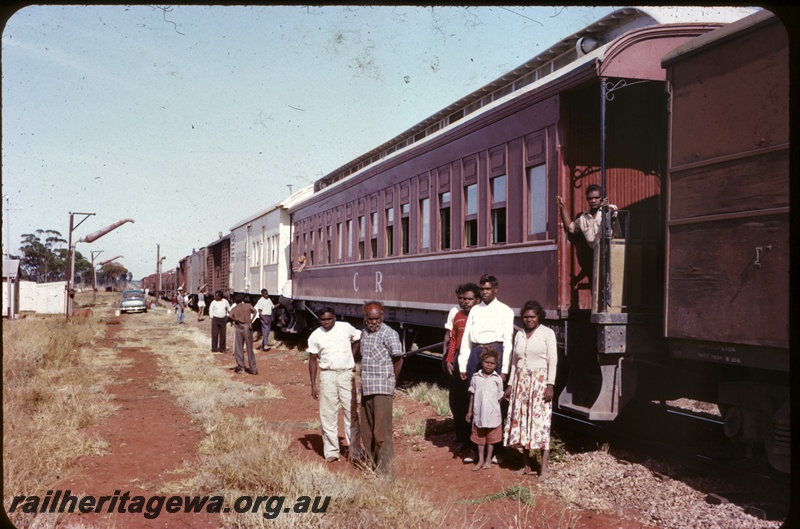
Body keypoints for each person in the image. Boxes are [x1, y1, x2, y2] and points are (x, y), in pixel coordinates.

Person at [503, 300, 558, 479]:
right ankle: (526, 464)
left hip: (539, 383)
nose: (529, 320)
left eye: (532, 317)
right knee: (522, 421)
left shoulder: (547, 333)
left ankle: (544, 467)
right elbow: (514, 362)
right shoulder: (519, 335)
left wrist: (550, 385)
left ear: (539, 316)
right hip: (521, 383)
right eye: (526, 317)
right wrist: (510, 385)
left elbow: (553, 361)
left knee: (541, 423)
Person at [307, 308, 363, 463]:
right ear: (319, 320)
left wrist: (352, 356)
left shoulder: (345, 327)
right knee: (327, 414)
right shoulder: (315, 336)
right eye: (323, 320)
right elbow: (312, 360)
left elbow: (358, 337)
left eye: (329, 319)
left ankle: (355, 450)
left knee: (350, 412)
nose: (326, 323)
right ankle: (331, 451)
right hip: (327, 375)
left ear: (335, 318)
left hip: (346, 374)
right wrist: (313, 384)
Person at [359, 301, 404, 478]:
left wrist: (391, 381)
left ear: (382, 316)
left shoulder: (390, 334)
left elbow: (398, 360)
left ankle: (387, 474)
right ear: (365, 318)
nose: (374, 322)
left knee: (381, 433)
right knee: (367, 431)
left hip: (382, 388)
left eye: (377, 318)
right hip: (366, 387)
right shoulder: (364, 333)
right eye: (370, 319)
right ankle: (373, 466)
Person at [443, 283, 481, 454]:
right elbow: (452, 339)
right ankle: (462, 436)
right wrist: (449, 359)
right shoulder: (456, 315)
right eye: (462, 299)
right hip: (460, 358)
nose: (465, 302)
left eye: (469, 299)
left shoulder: (481, 314)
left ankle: (478, 439)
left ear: (477, 300)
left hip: (477, 359)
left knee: (475, 399)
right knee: (458, 399)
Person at [458, 274, 514, 382]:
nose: (484, 292)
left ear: (495, 289)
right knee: (473, 390)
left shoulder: (505, 311)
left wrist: (504, 370)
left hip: (495, 353)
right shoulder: (474, 310)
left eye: (488, 289)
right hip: (475, 353)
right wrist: (463, 366)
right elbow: (466, 340)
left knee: (492, 392)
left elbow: (508, 343)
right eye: (482, 289)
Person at [466, 346, 505, 471]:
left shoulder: (497, 379)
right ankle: (480, 459)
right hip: (479, 414)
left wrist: (494, 409)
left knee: (491, 439)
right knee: (480, 439)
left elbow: (500, 397)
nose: (489, 365)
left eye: (492, 363)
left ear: (496, 365)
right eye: (487, 362)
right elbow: (472, 395)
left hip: (493, 415)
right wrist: (470, 411)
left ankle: (489, 459)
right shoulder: (476, 377)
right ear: (482, 362)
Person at [229, 293, 258, 375]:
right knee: (249, 348)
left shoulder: (234, 308)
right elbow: (255, 311)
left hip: (239, 327)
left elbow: (230, 316)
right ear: (242, 300)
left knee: (238, 348)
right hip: (248, 327)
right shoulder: (248, 306)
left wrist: (237, 321)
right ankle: (253, 369)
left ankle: (241, 367)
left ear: (235, 301)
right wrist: (251, 322)